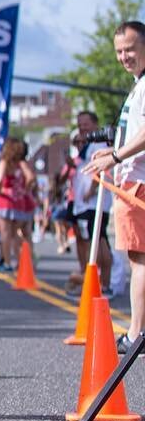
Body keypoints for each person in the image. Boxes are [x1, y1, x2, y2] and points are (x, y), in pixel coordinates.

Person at [85, 21, 145, 351]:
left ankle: (136, 335)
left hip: (137, 185)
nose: (124, 56)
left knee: (140, 261)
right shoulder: (138, 85)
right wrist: (113, 151)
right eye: (119, 51)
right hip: (132, 181)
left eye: (130, 49)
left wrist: (117, 157)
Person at [71, 112, 114, 293]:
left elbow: (101, 168)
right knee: (90, 240)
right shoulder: (89, 144)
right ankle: (95, 283)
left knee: (98, 240)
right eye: (80, 124)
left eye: (86, 124)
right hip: (85, 203)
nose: (82, 127)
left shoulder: (99, 143)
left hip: (95, 202)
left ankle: (104, 284)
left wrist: (91, 190)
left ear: (96, 124)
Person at [0, 136, 36, 271]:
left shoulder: (4, 162)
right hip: (20, 201)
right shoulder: (22, 163)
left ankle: (7, 262)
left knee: (5, 233)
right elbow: (31, 177)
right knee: (18, 233)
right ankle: (24, 262)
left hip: (5, 200)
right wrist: (25, 189)